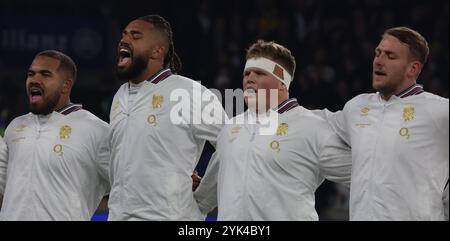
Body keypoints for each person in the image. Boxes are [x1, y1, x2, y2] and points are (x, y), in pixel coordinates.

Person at [194, 40, 352, 221]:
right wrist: (192, 188)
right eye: (247, 73)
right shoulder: (231, 128)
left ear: (282, 84)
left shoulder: (311, 127)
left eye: (259, 73)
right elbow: (207, 195)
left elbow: (365, 174)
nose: (249, 79)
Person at [316, 27, 449, 220]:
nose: (378, 61)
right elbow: (314, 123)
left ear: (413, 69)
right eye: (377, 53)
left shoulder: (438, 111)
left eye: (390, 56)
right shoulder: (356, 107)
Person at [108, 14, 226, 220]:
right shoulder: (120, 96)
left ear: (157, 50)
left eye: (135, 36)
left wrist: (204, 198)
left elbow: (232, 145)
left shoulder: (189, 92)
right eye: (123, 35)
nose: (124, 40)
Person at [0, 50, 110, 220]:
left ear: (66, 85)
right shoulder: (15, 127)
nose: (34, 79)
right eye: (31, 74)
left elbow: (128, 186)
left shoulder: (96, 130)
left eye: (45, 74)